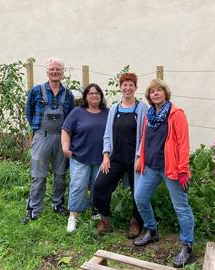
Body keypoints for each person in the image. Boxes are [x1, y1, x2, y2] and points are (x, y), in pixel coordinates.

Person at [133, 79, 195, 268]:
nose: (156, 93)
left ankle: (187, 245)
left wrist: (184, 170)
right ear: (149, 96)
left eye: (159, 90)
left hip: (171, 169)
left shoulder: (176, 114)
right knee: (140, 197)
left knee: (181, 207)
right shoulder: (149, 115)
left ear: (165, 93)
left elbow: (183, 143)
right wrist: (140, 158)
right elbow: (145, 139)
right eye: (152, 91)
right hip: (151, 166)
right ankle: (151, 230)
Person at [92, 72, 147, 239]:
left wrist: (140, 157)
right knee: (100, 185)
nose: (128, 88)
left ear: (135, 88)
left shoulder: (142, 108)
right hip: (115, 157)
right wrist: (106, 155)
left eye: (131, 85)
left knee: (138, 191)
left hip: (135, 159)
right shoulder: (114, 108)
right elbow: (108, 133)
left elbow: (145, 135)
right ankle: (105, 219)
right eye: (125, 85)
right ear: (120, 87)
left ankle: (135, 222)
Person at [21, 58, 74, 224]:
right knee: (38, 175)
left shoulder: (68, 94)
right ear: (47, 71)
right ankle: (33, 209)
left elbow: (71, 117)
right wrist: (38, 130)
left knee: (60, 174)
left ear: (62, 72)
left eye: (58, 69)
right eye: (52, 69)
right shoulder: (36, 91)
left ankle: (57, 204)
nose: (55, 72)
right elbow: (29, 113)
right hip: (42, 136)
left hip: (62, 137)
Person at [61, 83, 109, 233]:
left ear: (101, 96)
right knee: (78, 185)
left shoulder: (107, 113)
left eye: (97, 93)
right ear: (86, 97)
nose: (94, 95)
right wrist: (65, 148)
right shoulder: (77, 112)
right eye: (90, 93)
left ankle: (95, 211)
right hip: (80, 156)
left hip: (100, 158)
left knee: (98, 186)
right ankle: (73, 216)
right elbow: (65, 130)